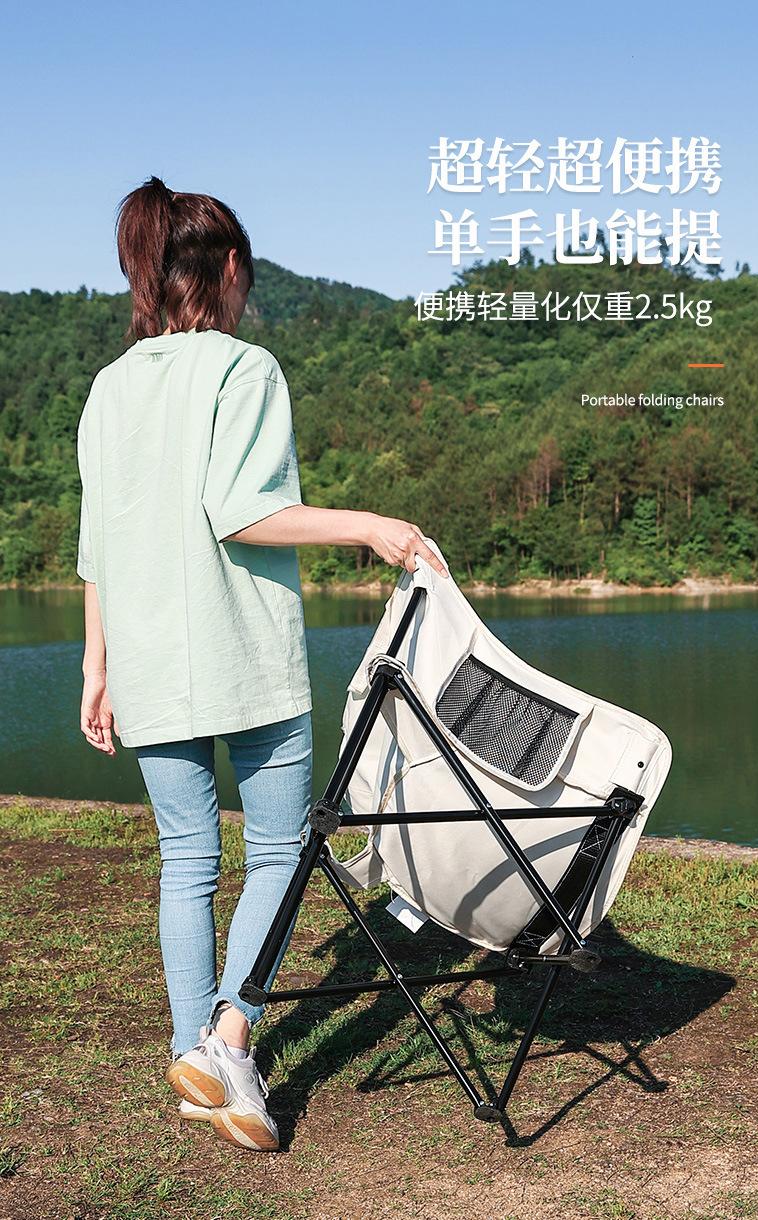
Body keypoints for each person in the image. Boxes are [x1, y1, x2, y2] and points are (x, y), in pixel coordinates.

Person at [76, 175, 449, 1152]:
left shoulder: (109, 388)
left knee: (187, 859)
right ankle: (230, 1039)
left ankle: (195, 1056)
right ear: (231, 268)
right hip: (241, 652)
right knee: (280, 852)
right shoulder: (245, 368)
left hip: (148, 661)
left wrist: (95, 666)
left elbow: (95, 545)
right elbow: (241, 512)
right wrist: (370, 524)